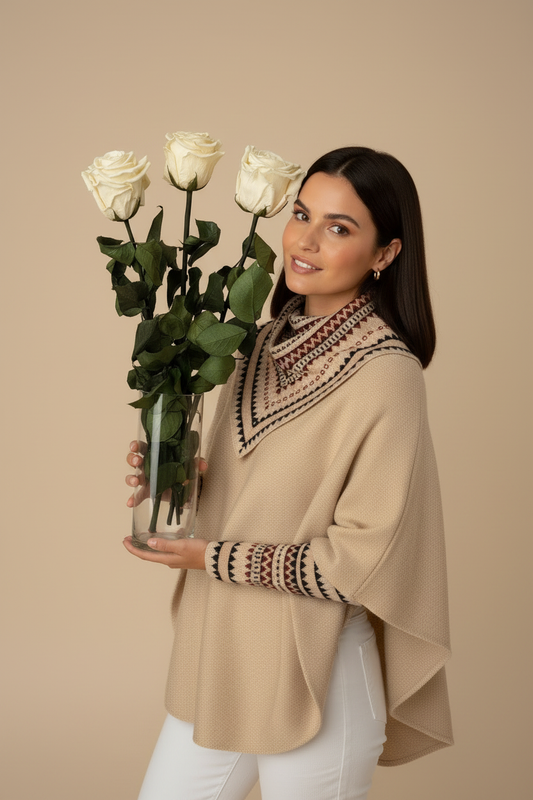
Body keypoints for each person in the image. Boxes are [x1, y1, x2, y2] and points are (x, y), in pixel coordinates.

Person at [123, 146, 453, 800]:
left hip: (315, 670)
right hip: (221, 657)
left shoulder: (387, 374)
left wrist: (210, 557)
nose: (305, 240)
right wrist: (177, 481)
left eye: (338, 227)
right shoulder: (252, 344)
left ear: (385, 253)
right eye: (302, 215)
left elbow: (357, 561)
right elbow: (259, 498)